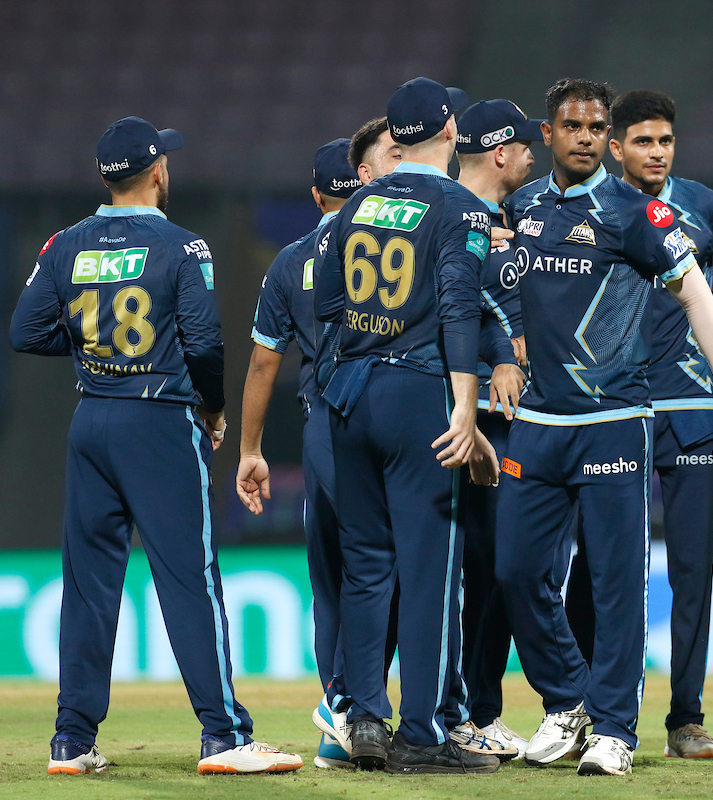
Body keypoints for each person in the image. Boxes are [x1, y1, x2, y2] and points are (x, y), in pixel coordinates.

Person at [9, 116, 302, 776]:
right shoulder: (182, 247)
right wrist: (216, 411)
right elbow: (203, 343)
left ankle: (71, 741)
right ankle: (224, 736)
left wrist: (93, 347)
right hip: (159, 420)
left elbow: (26, 332)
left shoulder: (65, 246)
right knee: (189, 579)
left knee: (88, 586)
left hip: (92, 422)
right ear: (159, 172)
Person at [494, 78, 713, 777]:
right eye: (571, 125)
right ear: (546, 135)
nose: (584, 135)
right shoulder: (519, 207)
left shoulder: (635, 212)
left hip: (614, 418)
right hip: (538, 420)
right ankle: (567, 702)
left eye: (594, 125)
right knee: (516, 569)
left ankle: (615, 727)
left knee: (616, 581)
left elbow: (699, 293)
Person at [566, 88, 713, 759]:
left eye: (666, 141)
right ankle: (586, 710)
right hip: (608, 410)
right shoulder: (588, 210)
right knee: (595, 569)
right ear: (615, 146)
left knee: (692, 571)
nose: (657, 153)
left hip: (690, 411)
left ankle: (686, 718)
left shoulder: (706, 207)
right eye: (643, 142)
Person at [313, 77, 502, 775]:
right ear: (451, 131)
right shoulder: (462, 208)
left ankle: (363, 717)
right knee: (429, 572)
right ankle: (421, 734)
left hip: (349, 395)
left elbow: (329, 299)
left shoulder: (357, 203)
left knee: (366, 567)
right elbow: (459, 307)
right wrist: (465, 406)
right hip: (419, 395)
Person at [234, 138, 362, 769]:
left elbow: (264, 361)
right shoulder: (398, 242)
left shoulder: (289, 262)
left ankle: (339, 712)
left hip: (323, 428)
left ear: (316, 195)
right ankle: (426, 717)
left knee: (331, 581)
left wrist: (250, 449)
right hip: (398, 420)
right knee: (399, 568)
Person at [454, 98, 541, 758]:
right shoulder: (456, 219)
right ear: (501, 152)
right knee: (474, 572)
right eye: (527, 145)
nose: (536, 157)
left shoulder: (505, 220)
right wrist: (498, 360)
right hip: (468, 421)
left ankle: (480, 710)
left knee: (498, 573)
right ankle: (463, 713)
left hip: (516, 421)